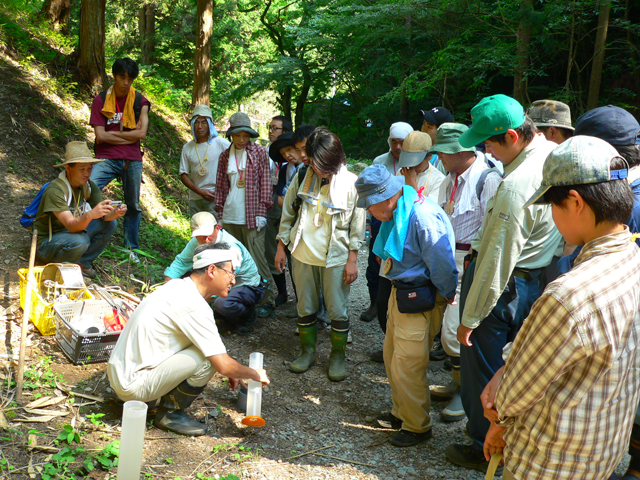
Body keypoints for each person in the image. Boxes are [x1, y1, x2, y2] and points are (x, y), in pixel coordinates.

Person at [482, 136, 640, 480]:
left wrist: (499, 420)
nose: (553, 218)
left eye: (553, 207)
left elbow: (517, 391)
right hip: (603, 449)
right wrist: (505, 369)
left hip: (550, 462)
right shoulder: (633, 258)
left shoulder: (570, 294)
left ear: (575, 201)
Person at [445, 94, 561, 474]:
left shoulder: (514, 187)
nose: (487, 152)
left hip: (504, 287)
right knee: (516, 367)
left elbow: (496, 260)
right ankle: (513, 440)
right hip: (534, 279)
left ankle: (483, 444)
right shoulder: (551, 155)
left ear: (512, 136)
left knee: (485, 369)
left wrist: (470, 318)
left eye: (490, 144)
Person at [108, 242, 270, 436]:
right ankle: (170, 413)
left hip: (122, 374)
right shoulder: (194, 305)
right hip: (133, 385)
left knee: (207, 350)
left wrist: (233, 371)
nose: (233, 281)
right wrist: (254, 374)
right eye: (230, 273)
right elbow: (223, 364)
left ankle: (149, 399)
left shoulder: (177, 285)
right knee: (207, 359)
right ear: (212, 270)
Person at [356, 164, 457, 447]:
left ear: (384, 199)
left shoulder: (421, 216)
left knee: (409, 365)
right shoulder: (400, 212)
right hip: (400, 293)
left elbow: (442, 263)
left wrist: (447, 296)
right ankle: (402, 413)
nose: (368, 212)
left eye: (369, 207)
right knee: (393, 357)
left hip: (420, 298)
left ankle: (417, 426)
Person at [275, 127, 365, 381]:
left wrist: (352, 261)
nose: (318, 169)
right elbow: (288, 214)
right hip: (303, 254)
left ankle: (337, 355)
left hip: (335, 258)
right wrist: (281, 247)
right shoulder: (303, 176)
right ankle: (308, 351)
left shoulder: (351, 184)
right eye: (314, 162)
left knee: (338, 309)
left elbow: (357, 226)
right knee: (305, 306)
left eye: (322, 165)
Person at [427, 123, 501, 423]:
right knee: (446, 326)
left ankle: (463, 392)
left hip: (470, 259)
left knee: (456, 328)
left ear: (460, 151)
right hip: (446, 256)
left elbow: (493, 230)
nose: (439, 158)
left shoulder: (488, 179)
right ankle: (458, 383)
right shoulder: (450, 179)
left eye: (443, 152)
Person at [214, 112, 276, 317]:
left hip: (252, 215)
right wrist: (220, 212)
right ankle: (240, 298)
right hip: (231, 215)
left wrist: (262, 211)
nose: (241, 139)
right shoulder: (225, 155)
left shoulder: (259, 152)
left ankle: (268, 299)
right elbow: (222, 186)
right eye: (237, 135)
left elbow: (266, 183)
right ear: (231, 134)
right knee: (234, 259)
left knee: (258, 259)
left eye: (245, 135)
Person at [34, 141, 127, 278]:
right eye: (82, 169)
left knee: (110, 223)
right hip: (46, 242)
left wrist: (115, 212)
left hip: (70, 234)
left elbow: (105, 217)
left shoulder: (88, 186)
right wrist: (90, 215)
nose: (86, 174)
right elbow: (71, 226)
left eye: (89, 169)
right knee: (80, 240)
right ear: (68, 168)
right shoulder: (56, 190)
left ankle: (82, 264)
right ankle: (58, 268)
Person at [89, 57, 150, 263]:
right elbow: (101, 136)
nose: (126, 82)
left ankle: (131, 248)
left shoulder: (140, 100)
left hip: (132, 158)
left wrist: (114, 136)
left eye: (130, 78)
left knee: (132, 203)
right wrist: (128, 136)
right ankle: (85, 231)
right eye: (122, 77)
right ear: (114, 76)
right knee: (89, 188)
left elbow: (142, 134)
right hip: (106, 156)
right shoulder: (100, 100)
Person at [164, 212, 264, 335]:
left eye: (208, 235)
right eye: (200, 236)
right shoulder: (196, 242)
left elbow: (227, 279)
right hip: (219, 279)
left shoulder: (231, 247)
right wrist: (166, 288)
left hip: (245, 285)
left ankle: (247, 314)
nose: (205, 240)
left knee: (222, 304)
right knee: (185, 280)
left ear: (218, 228)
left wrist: (193, 305)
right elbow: (181, 263)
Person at [362, 122, 413, 325]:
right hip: (379, 217)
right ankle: (375, 302)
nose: (398, 147)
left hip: (402, 218)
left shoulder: (414, 162)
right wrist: (368, 221)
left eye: (402, 142)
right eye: (394, 142)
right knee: (375, 263)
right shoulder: (380, 161)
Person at [179, 105, 230, 217]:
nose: (200, 126)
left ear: (210, 124)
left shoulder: (222, 144)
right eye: (196, 122)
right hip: (195, 199)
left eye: (204, 122)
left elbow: (234, 165)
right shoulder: (188, 147)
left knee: (214, 233)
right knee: (197, 232)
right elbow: (183, 174)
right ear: (192, 125)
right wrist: (199, 191)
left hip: (215, 198)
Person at [265, 116, 294, 307]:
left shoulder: (295, 157)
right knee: (273, 248)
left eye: (275, 128)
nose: (270, 131)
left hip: (291, 209)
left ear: (285, 132)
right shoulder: (265, 151)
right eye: (270, 127)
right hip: (272, 205)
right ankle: (282, 292)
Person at [397, 130, 446, 200]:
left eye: (416, 162)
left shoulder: (439, 180)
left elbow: (430, 209)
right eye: (408, 160)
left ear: (429, 156)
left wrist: (411, 184)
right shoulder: (401, 172)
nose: (411, 166)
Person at [420, 106, 455, 173]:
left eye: (429, 126)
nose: (424, 129)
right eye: (424, 123)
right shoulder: (418, 149)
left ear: (443, 131)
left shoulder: (444, 158)